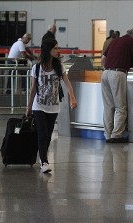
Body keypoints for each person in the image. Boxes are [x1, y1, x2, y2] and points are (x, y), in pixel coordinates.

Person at [27, 38, 78, 174]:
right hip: (38, 106)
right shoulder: (36, 68)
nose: (58, 50)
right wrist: (29, 107)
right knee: (42, 133)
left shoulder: (59, 67)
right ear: (47, 50)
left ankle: (42, 156)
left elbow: (67, 83)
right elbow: (33, 89)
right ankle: (44, 161)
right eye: (55, 48)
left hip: (53, 106)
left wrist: (72, 98)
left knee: (48, 135)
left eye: (58, 48)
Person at [100, 28, 133, 143]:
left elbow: (103, 59)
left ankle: (108, 135)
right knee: (120, 107)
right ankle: (116, 135)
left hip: (105, 74)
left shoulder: (115, 40)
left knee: (108, 106)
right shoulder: (131, 41)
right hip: (118, 73)